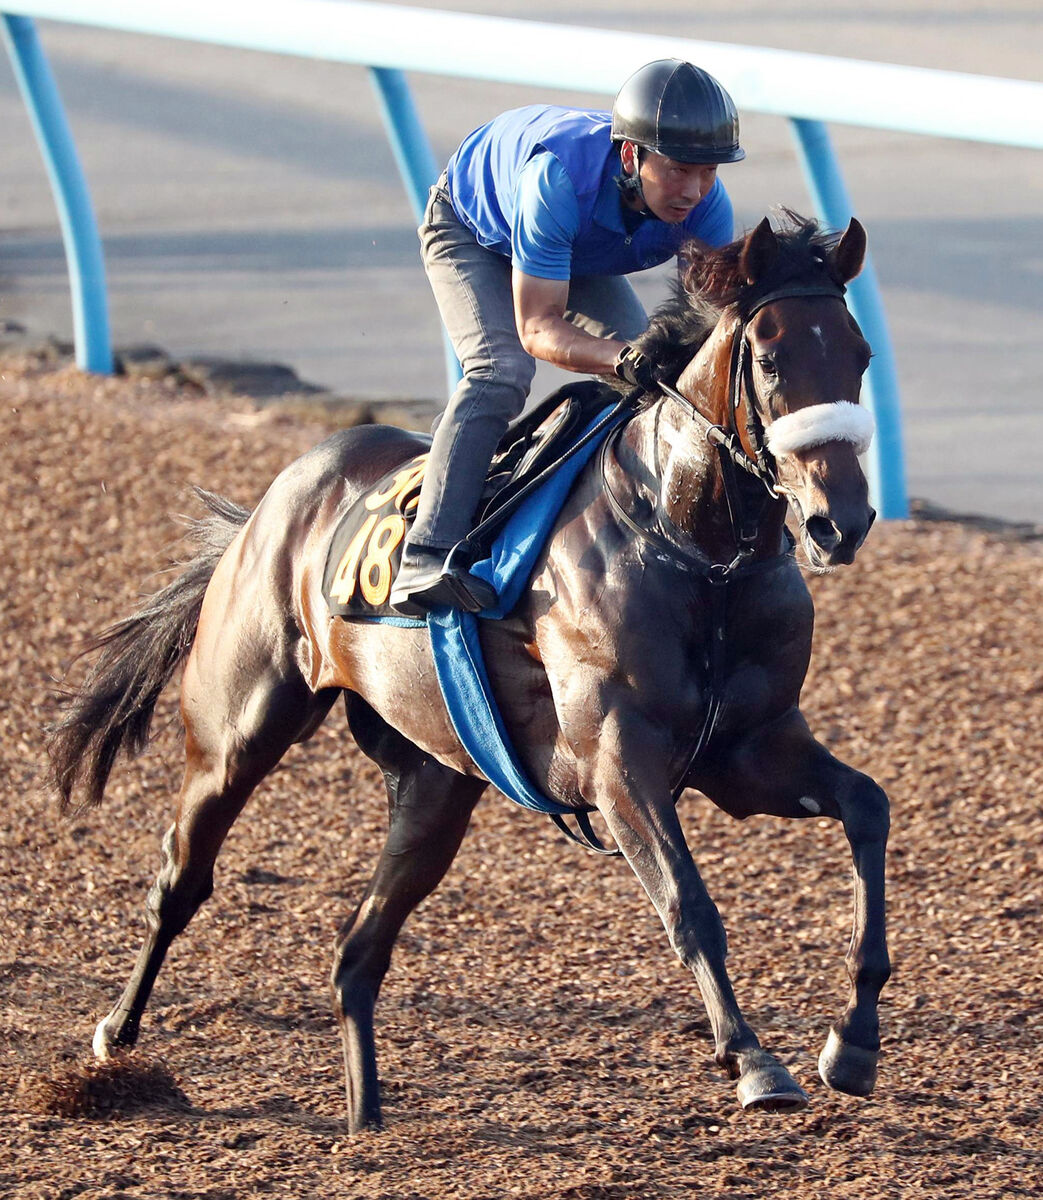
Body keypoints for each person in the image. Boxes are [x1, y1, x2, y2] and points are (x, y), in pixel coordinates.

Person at [389, 58, 745, 617]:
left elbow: (713, 330)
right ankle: (425, 554)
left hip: (571, 247)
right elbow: (537, 328)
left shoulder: (707, 208)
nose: (694, 191)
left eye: (709, 172)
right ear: (632, 156)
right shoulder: (557, 179)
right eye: (678, 169)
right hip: (475, 232)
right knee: (500, 373)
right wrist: (622, 357)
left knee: (658, 384)